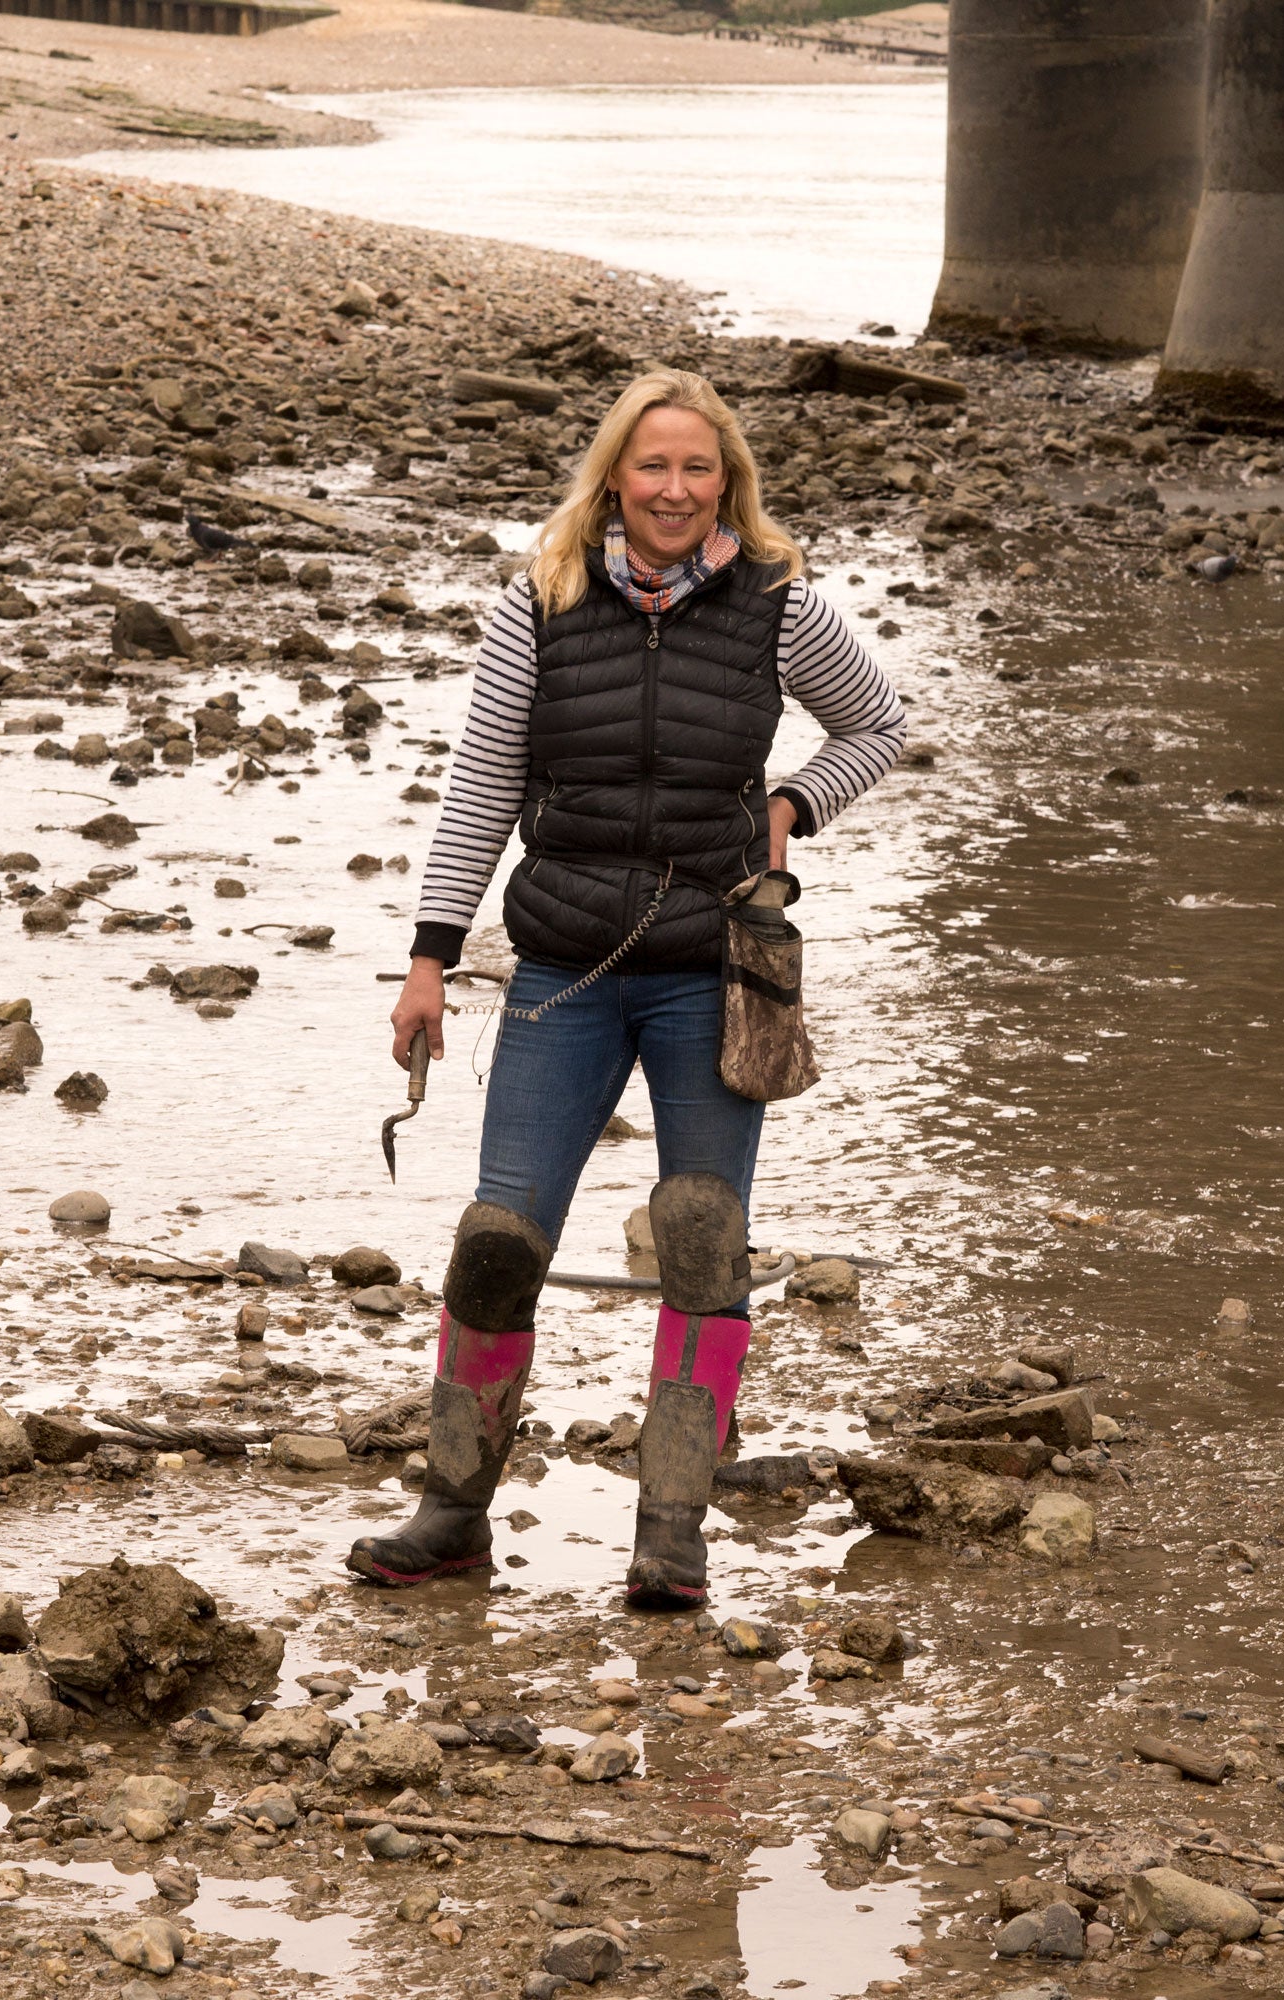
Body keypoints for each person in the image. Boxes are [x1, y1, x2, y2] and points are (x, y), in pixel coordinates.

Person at [351, 367, 907, 1612]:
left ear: (729, 482)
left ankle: (672, 1532)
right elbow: (483, 784)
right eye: (651, 466)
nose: (673, 488)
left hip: (714, 973)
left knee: (706, 1248)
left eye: (697, 468)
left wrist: (789, 804)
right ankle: (451, 1513)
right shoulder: (537, 603)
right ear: (614, 476)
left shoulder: (780, 604)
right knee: (498, 1245)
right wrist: (430, 958)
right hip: (563, 968)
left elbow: (877, 723)